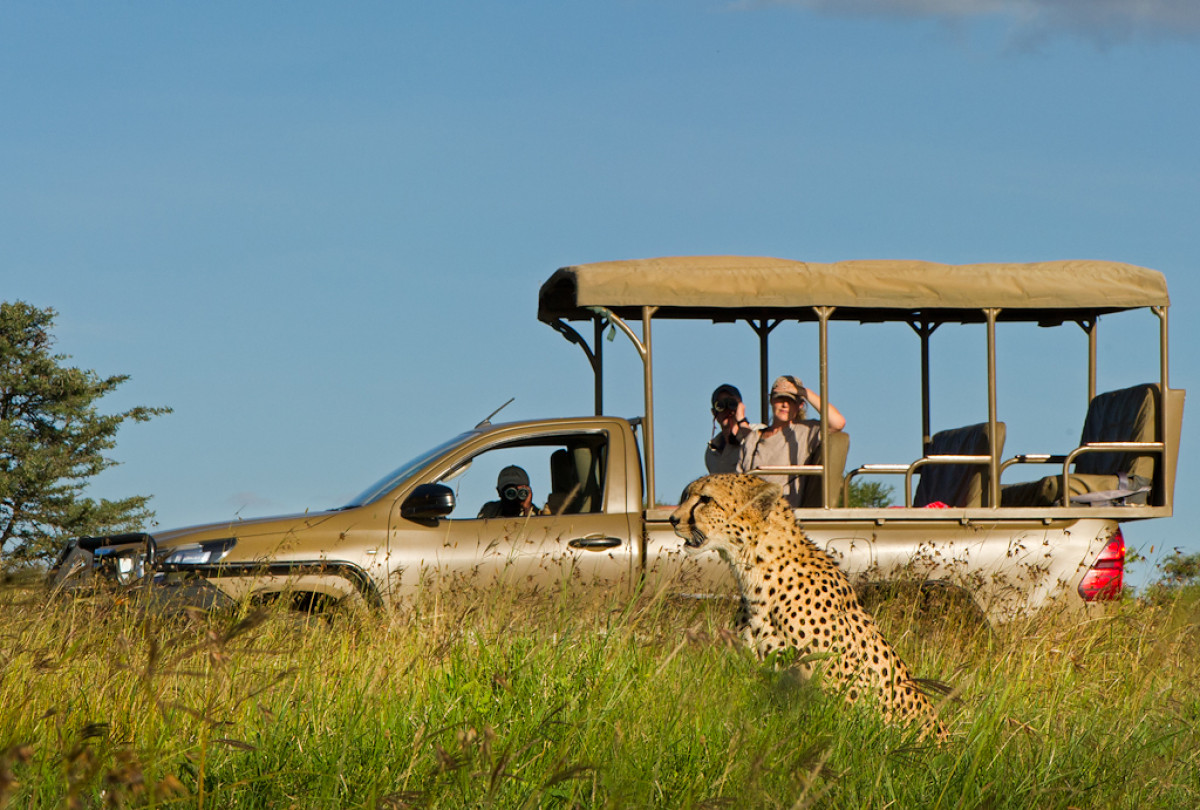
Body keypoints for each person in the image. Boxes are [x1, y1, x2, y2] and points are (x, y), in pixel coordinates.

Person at [739, 375, 846, 509]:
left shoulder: (805, 431)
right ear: (771, 400)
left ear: (800, 405)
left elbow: (838, 422)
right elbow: (740, 480)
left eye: (791, 400)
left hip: (784, 513)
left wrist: (804, 392)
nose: (785, 405)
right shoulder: (754, 438)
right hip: (751, 511)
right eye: (780, 399)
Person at [705, 383, 757, 474]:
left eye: (731, 404)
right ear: (714, 412)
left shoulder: (758, 432)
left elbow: (760, 449)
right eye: (721, 406)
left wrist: (742, 420)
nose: (727, 410)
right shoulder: (712, 450)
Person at [477, 465, 546, 518]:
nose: (513, 496)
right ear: (499, 492)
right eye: (509, 492)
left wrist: (527, 509)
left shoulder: (538, 515)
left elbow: (534, 532)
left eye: (520, 492)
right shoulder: (490, 510)